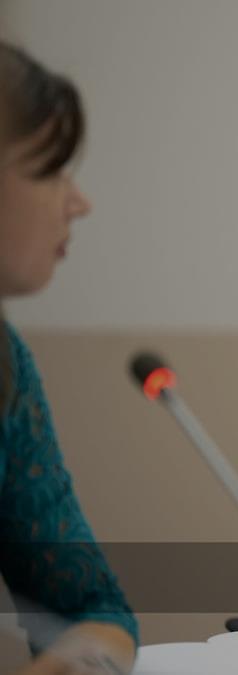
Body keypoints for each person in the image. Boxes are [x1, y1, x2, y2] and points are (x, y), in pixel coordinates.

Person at [0, 42, 138, 673]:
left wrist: (84, 659)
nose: (79, 202)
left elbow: (95, 609)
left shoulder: (7, 369)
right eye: (53, 169)